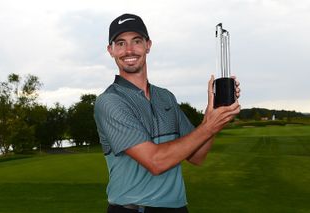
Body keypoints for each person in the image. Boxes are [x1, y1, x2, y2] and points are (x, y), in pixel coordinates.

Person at [94, 13, 241, 213]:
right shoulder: (110, 101)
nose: (129, 50)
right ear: (110, 50)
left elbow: (197, 156)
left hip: (177, 208)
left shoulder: (165, 97)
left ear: (148, 45)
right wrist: (208, 127)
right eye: (120, 43)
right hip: (133, 209)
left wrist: (214, 115)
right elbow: (156, 162)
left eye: (136, 41)